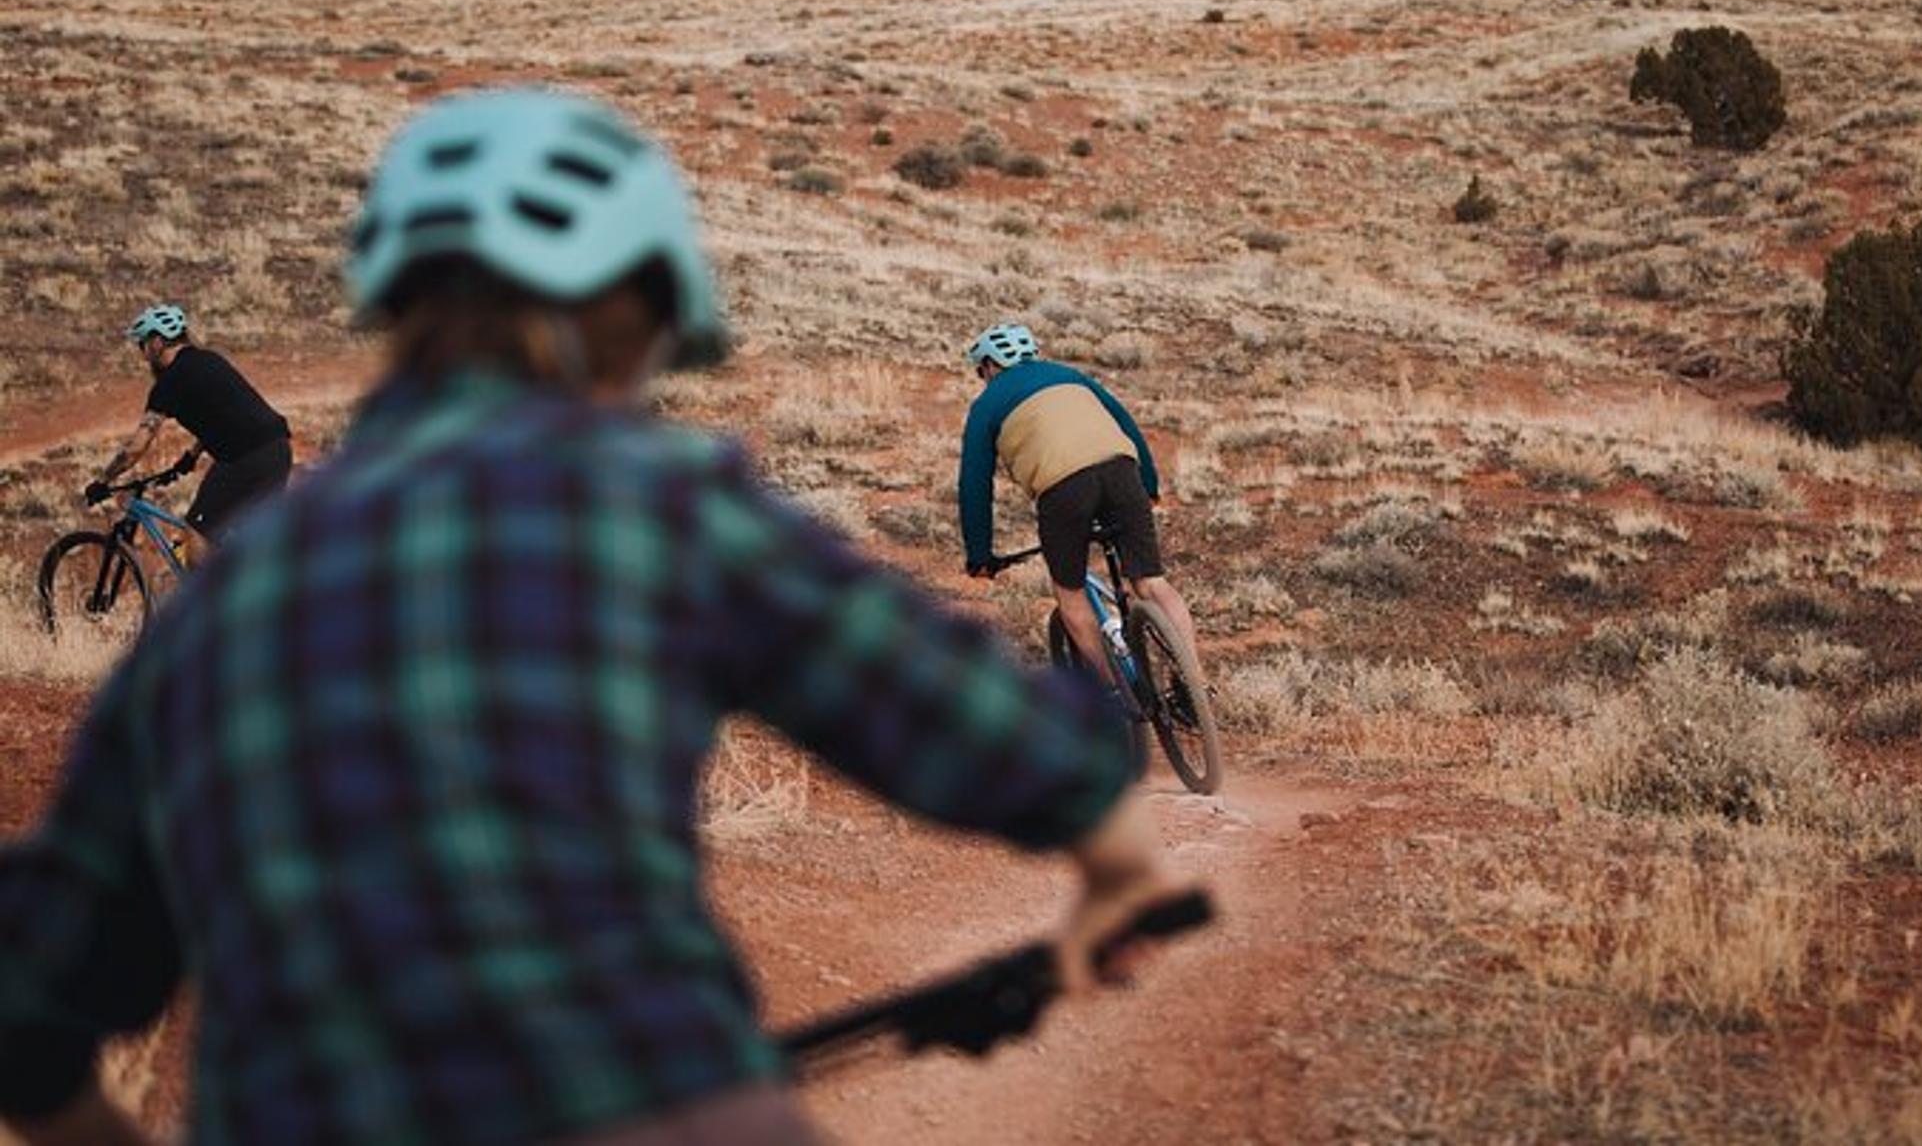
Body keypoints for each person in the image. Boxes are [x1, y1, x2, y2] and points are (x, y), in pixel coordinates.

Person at [0, 90, 1173, 1146]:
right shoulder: (650, 505)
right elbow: (951, 712)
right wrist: (1110, 860)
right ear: (642, 313)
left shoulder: (220, 605)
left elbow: (39, 998)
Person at [956, 322, 1202, 695]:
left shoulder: (987, 403)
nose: (982, 378)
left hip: (1063, 488)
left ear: (989, 365)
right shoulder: (1070, 376)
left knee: (1070, 593)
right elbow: (1126, 425)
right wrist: (1148, 487)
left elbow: (974, 483)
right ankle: (1194, 683)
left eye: (980, 371)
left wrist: (979, 554)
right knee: (1152, 582)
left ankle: (1114, 691)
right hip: (1122, 472)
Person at [84, 303, 292, 550]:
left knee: (197, 537)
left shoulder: (169, 382)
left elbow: (135, 448)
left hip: (244, 460)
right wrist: (191, 456)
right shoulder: (209, 360)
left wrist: (103, 481)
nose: (142, 354)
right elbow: (224, 415)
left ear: (158, 342)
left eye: (143, 345)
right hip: (278, 450)